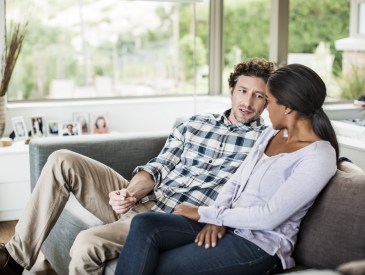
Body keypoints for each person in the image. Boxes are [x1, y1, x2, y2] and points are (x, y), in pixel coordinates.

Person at [0, 58, 274, 275]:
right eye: (243, 91)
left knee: (86, 243)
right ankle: (14, 260)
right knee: (62, 159)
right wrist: (129, 193)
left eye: (259, 96)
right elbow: (160, 166)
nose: (248, 102)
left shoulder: (265, 144)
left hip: (168, 220)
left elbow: (248, 197)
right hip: (146, 199)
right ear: (232, 90)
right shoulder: (194, 123)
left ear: (268, 101)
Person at [115, 64, 339, 275]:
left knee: (155, 266)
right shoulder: (270, 134)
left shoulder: (318, 156)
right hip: (228, 224)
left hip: (258, 245)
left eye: (268, 100)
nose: (265, 108)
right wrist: (216, 220)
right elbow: (236, 182)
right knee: (145, 223)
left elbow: (269, 217)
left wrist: (206, 213)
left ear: (287, 107)